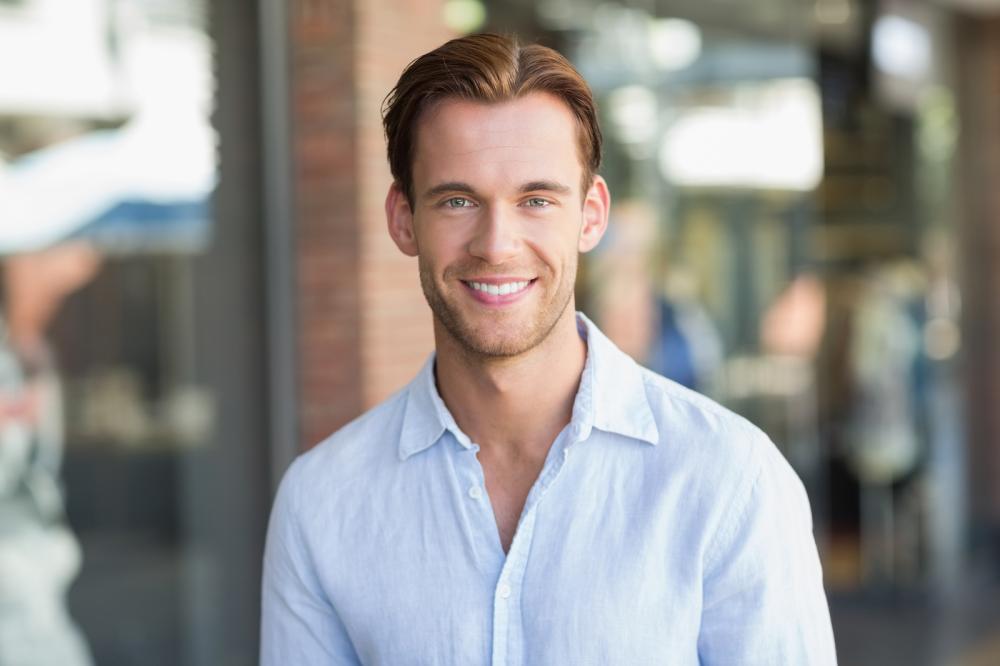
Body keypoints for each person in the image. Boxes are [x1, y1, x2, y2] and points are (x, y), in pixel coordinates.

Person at [261, 33, 836, 665]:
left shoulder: (729, 481)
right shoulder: (322, 504)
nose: (497, 243)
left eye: (536, 200)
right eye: (457, 200)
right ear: (403, 219)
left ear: (591, 216)